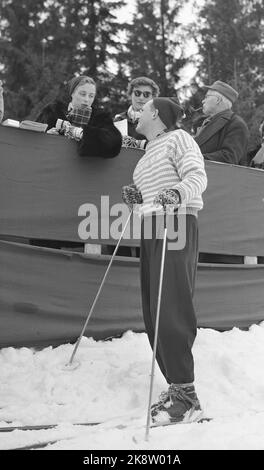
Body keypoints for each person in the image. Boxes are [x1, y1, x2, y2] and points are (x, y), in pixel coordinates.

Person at [122, 97, 207, 425]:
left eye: (142, 109)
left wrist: (177, 194)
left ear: (156, 112)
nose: (136, 113)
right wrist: (136, 200)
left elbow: (198, 177)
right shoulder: (148, 150)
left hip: (177, 222)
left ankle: (187, 397)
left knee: (171, 305)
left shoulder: (180, 138)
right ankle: (177, 387)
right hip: (152, 225)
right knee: (153, 308)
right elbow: (153, 194)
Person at [36, 75, 122, 159]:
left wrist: (80, 133)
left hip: (84, 169)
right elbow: (33, 139)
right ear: (72, 93)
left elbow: (113, 144)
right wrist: (47, 135)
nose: (87, 99)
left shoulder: (100, 117)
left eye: (91, 96)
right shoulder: (53, 111)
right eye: (83, 94)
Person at [194, 80, 249, 165]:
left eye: (206, 97)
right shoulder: (202, 123)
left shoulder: (236, 124)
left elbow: (229, 157)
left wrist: (193, 158)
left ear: (218, 100)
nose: (203, 101)